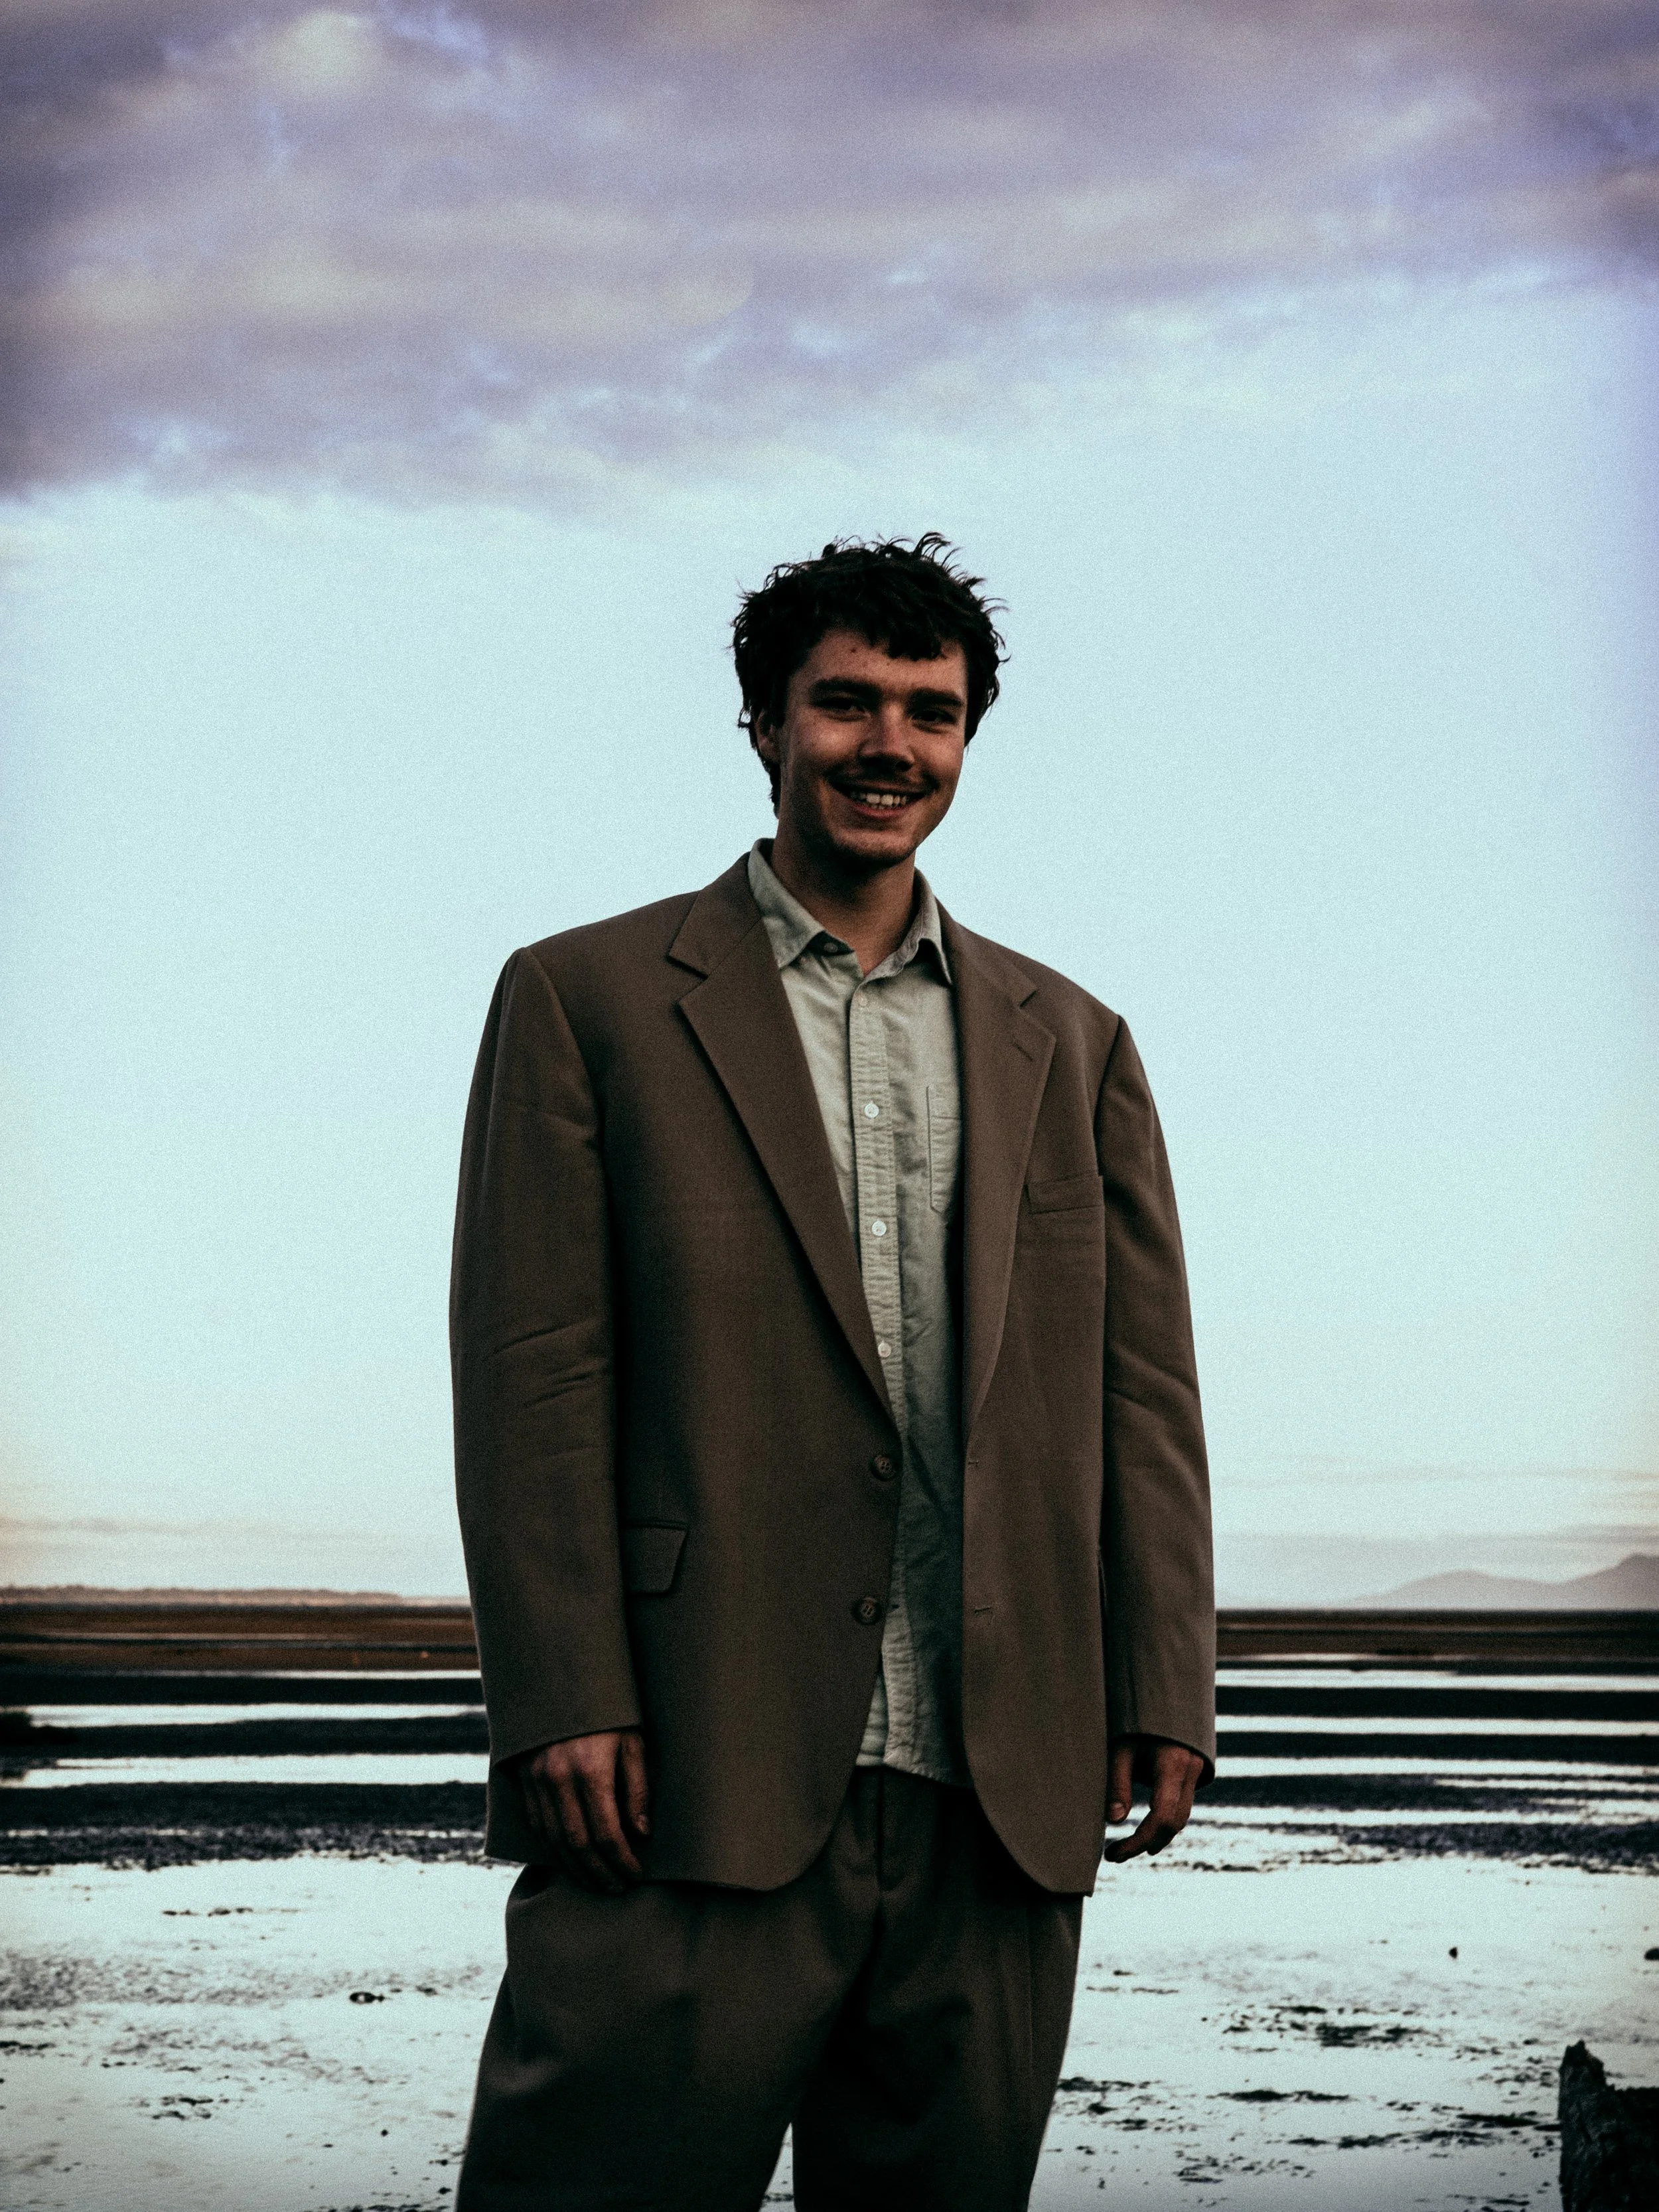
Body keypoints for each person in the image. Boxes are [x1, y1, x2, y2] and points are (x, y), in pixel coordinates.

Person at [449, 535, 1214, 2211]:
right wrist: (560, 1694)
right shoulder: (583, 998)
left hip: (994, 1781)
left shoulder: (1072, 1039)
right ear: (763, 723)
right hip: (685, 1761)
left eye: (930, 713)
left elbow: (1141, 1392)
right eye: (846, 702)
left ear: (965, 739)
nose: (890, 745)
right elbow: (530, 1376)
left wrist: (1164, 1678)